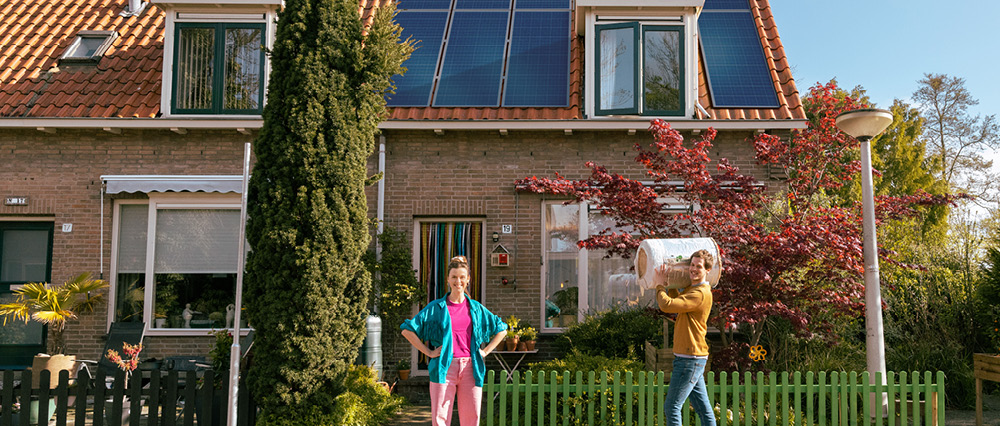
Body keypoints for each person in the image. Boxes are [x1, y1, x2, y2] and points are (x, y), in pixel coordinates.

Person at [401, 255, 508, 426]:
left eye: (462, 277)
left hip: (470, 368)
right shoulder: (436, 307)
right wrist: (428, 352)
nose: (458, 281)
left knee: (471, 420)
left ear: (468, 280)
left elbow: (502, 329)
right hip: (444, 368)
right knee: (440, 420)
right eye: (454, 277)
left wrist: (485, 351)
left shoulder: (476, 308)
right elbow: (407, 330)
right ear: (448, 280)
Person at [654, 249, 717, 426]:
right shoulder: (694, 289)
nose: (693, 269)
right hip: (692, 357)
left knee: (672, 406)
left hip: (689, 359)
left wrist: (660, 285)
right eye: (692, 265)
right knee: (703, 410)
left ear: (707, 270)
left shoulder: (699, 294)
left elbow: (667, 305)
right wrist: (671, 284)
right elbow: (680, 301)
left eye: (699, 266)